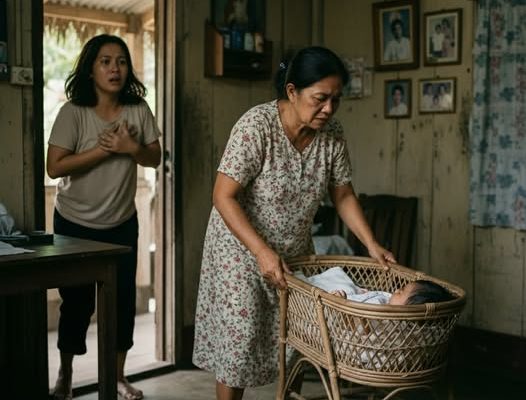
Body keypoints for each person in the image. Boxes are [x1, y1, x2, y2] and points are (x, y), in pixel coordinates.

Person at [192, 46, 395, 400]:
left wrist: (371, 243)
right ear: (292, 91)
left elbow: (343, 195)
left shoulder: (332, 134)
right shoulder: (257, 126)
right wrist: (261, 252)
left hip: (294, 250)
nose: (329, 108)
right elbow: (223, 196)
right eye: (320, 98)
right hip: (240, 251)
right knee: (240, 343)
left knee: (299, 341)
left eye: (336, 99)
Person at [46, 34, 161, 400]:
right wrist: (104, 151)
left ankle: (116, 377)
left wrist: (132, 147)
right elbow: (54, 167)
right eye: (106, 61)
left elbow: (154, 158)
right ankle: (65, 375)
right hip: (74, 224)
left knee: (122, 304)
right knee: (76, 304)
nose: (115, 69)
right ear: (90, 69)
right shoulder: (73, 112)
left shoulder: (138, 109)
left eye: (121, 61)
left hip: (121, 223)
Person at [296, 266, 454, 305]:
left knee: (325, 292)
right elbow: (373, 296)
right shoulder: (387, 300)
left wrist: (341, 302)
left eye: (401, 292)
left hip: (342, 307)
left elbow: (359, 326)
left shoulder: (381, 314)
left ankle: (302, 285)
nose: (396, 289)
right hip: (353, 296)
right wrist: (363, 293)